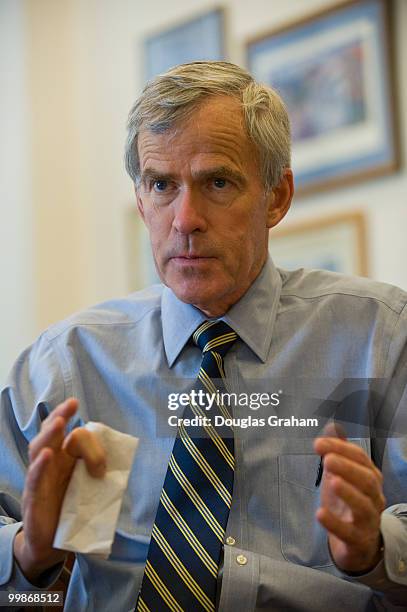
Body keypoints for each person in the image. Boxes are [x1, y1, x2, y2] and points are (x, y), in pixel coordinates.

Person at [0, 61, 406, 612]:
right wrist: (29, 554)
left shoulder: (379, 336)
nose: (185, 218)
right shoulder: (66, 364)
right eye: (162, 185)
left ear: (277, 196)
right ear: (142, 201)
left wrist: (375, 550)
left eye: (217, 182)